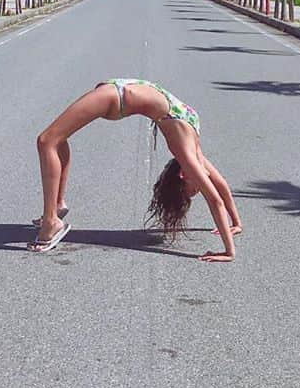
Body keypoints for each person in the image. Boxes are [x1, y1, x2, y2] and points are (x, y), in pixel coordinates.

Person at [31, 79, 243, 261]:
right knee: (49, 141)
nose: (198, 189)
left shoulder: (190, 147)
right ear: (183, 174)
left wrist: (235, 223)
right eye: (193, 190)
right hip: (115, 94)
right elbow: (216, 197)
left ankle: (54, 213)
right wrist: (230, 248)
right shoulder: (189, 154)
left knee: (49, 140)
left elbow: (218, 188)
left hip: (117, 95)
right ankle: (53, 218)